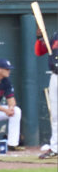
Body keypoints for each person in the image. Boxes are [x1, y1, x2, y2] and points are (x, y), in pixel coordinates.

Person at [35, 29, 57, 159]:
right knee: (55, 115)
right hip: (54, 76)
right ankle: (55, 148)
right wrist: (40, 38)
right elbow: (39, 51)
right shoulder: (55, 36)